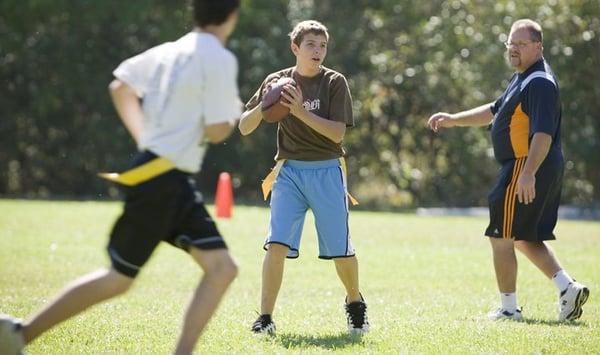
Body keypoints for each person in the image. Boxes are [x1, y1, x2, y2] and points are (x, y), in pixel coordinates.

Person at [0, 1, 242, 353]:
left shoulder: (170, 50)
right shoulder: (219, 57)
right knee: (118, 278)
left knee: (221, 268)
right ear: (232, 16)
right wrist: (236, 112)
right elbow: (218, 130)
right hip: (164, 180)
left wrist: (145, 139)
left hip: (167, 178)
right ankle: (18, 335)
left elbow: (120, 87)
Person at [427, 19, 589, 322]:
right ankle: (568, 289)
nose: (513, 49)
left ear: (538, 47)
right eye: (510, 43)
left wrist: (527, 173)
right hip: (530, 166)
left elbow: (543, 134)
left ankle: (508, 308)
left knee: (501, 235)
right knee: (523, 236)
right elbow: (494, 110)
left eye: (521, 44)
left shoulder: (539, 81)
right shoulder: (523, 77)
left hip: (524, 165)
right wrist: (452, 119)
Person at [238, 20, 369, 334]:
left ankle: (355, 302)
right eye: (311, 44)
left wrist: (299, 111)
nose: (318, 51)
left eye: (322, 46)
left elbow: (337, 134)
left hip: (327, 171)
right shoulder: (277, 80)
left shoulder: (334, 82)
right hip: (289, 172)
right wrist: (267, 103)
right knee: (276, 244)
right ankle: (265, 318)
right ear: (295, 48)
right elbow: (244, 126)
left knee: (340, 249)